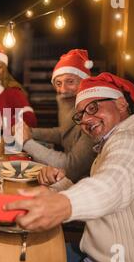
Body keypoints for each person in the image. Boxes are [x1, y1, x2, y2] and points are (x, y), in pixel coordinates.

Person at [6, 73, 134, 262]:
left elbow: (113, 185)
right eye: (81, 114)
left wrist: (63, 204)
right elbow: (107, 196)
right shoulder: (112, 142)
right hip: (93, 256)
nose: (86, 120)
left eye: (93, 108)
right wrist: (60, 183)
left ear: (121, 104)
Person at [19, 49, 96, 182]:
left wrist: (27, 142)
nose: (63, 90)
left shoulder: (93, 113)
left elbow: (71, 167)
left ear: (85, 81)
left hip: (82, 184)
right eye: (58, 83)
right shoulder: (69, 102)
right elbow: (63, 134)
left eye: (70, 82)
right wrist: (30, 132)